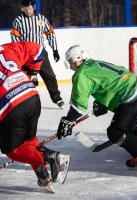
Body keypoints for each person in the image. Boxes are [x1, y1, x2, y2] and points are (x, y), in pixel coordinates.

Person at [56, 44, 137, 174]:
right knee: (125, 127)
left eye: (70, 62)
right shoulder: (93, 63)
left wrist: (69, 120)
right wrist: (102, 101)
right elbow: (110, 79)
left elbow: (78, 107)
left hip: (132, 98)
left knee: (115, 132)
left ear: (78, 59)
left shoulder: (81, 74)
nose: (70, 66)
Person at [0, 41, 70, 193]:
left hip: (11, 105)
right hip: (31, 96)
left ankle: (51, 157)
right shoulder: (5, 48)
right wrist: (32, 73)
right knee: (29, 141)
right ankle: (43, 175)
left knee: (12, 150)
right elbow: (39, 50)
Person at [10, 0, 64, 109]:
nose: (27, 11)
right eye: (25, 9)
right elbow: (15, 38)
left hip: (40, 53)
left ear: (33, 7)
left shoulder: (41, 19)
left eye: (29, 8)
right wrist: (18, 53)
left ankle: (57, 98)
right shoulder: (18, 20)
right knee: (25, 78)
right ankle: (26, 100)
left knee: (50, 76)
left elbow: (50, 33)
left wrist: (55, 50)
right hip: (26, 56)